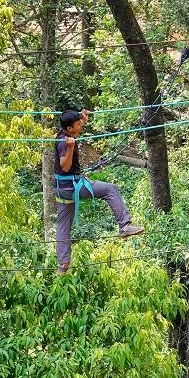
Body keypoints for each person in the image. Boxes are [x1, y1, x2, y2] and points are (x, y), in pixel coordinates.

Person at [54, 109, 143, 273]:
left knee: (63, 225)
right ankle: (125, 226)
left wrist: (82, 119)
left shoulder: (64, 133)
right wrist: (71, 148)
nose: (81, 125)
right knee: (110, 190)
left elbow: (74, 128)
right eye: (78, 124)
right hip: (72, 186)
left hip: (61, 189)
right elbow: (65, 166)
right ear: (69, 129)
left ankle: (63, 264)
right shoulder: (64, 143)